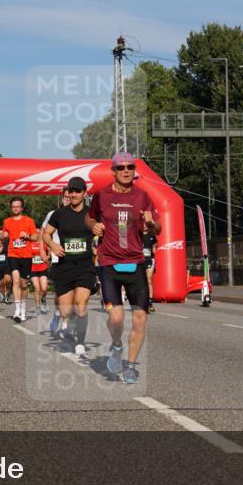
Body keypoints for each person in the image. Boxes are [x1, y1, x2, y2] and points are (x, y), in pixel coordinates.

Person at [87, 151, 159, 383]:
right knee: (116, 319)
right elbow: (89, 218)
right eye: (121, 167)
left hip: (136, 264)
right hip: (109, 263)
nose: (126, 171)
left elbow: (157, 229)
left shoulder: (142, 196)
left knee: (140, 319)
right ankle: (116, 346)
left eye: (130, 167)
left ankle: (129, 365)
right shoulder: (102, 196)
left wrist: (151, 223)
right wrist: (93, 226)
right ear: (113, 171)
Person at [43, 177, 97, 359]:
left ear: (84, 193)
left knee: (81, 304)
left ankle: (80, 342)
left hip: (85, 266)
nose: (73, 194)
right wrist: (52, 245)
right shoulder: (60, 214)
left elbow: (104, 230)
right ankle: (73, 322)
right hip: (65, 267)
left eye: (77, 191)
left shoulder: (92, 214)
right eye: (71, 191)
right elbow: (46, 234)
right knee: (67, 311)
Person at [1, 197, 39, 323]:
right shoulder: (7, 221)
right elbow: (3, 235)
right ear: (11, 208)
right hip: (13, 254)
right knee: (15, 280)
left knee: (23, 284)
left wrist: (27, 236)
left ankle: (23, 309)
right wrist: (3, 236)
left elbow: (35, 237)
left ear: (22, 208)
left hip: (26, 256)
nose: (15, 208)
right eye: (13, 206)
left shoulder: (29, 221)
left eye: (18, 206)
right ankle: (17, 309)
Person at [44, 190, 71, 334]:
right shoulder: (53, 214)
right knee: (60, 293)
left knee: (71, 292)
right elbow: (44, 232)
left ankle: (66, 324)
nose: (68, 199)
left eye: (70, 196)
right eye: (65, 197)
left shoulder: (80, 214)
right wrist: (45, 250)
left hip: (75, 259)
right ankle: (56, 314)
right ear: (62, 198)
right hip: (57, 258)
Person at [29, 237, 50, 315]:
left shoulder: (43, 243)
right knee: (37, 288)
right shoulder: (30, 243)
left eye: (39, 233)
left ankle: (43, 299)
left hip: (43, 268)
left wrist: (48, 256)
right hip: (33, 269)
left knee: (44, 288)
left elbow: (50, 250)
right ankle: (38, 307)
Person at [142, 226, 158, 312]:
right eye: (143, 224)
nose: (144, 226)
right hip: (139, 260)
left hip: (149, 259)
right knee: (140, 281)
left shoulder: (152, 235)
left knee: (148, 280)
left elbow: (155, 245)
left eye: (146, 224)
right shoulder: (138, 234)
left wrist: (154, 249)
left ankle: (150, 302)